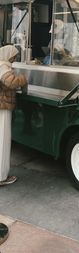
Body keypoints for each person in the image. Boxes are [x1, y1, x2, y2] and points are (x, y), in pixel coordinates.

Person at [0, 45, 27, 185]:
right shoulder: (3, 66)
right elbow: (10, 82)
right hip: (2, 108)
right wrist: (23, 79)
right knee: (3, 141)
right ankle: (2, 177)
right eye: (14, 55)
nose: (15, 58)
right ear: (8, 54)